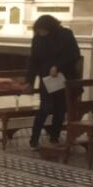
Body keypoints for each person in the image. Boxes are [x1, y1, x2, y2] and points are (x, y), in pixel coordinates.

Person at [23, 14, 81, 148]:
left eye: (43, 30)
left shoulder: (66, 34)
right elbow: (34, 60)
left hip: (63, 77)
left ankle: (55, 137)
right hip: (46, 79)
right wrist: (29, 81)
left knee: (60, 108)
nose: (41, 33)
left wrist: (58, 66)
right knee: (45, 107)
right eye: (39, 31)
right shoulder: (38, 38)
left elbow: (74, 55)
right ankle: (34, 138)